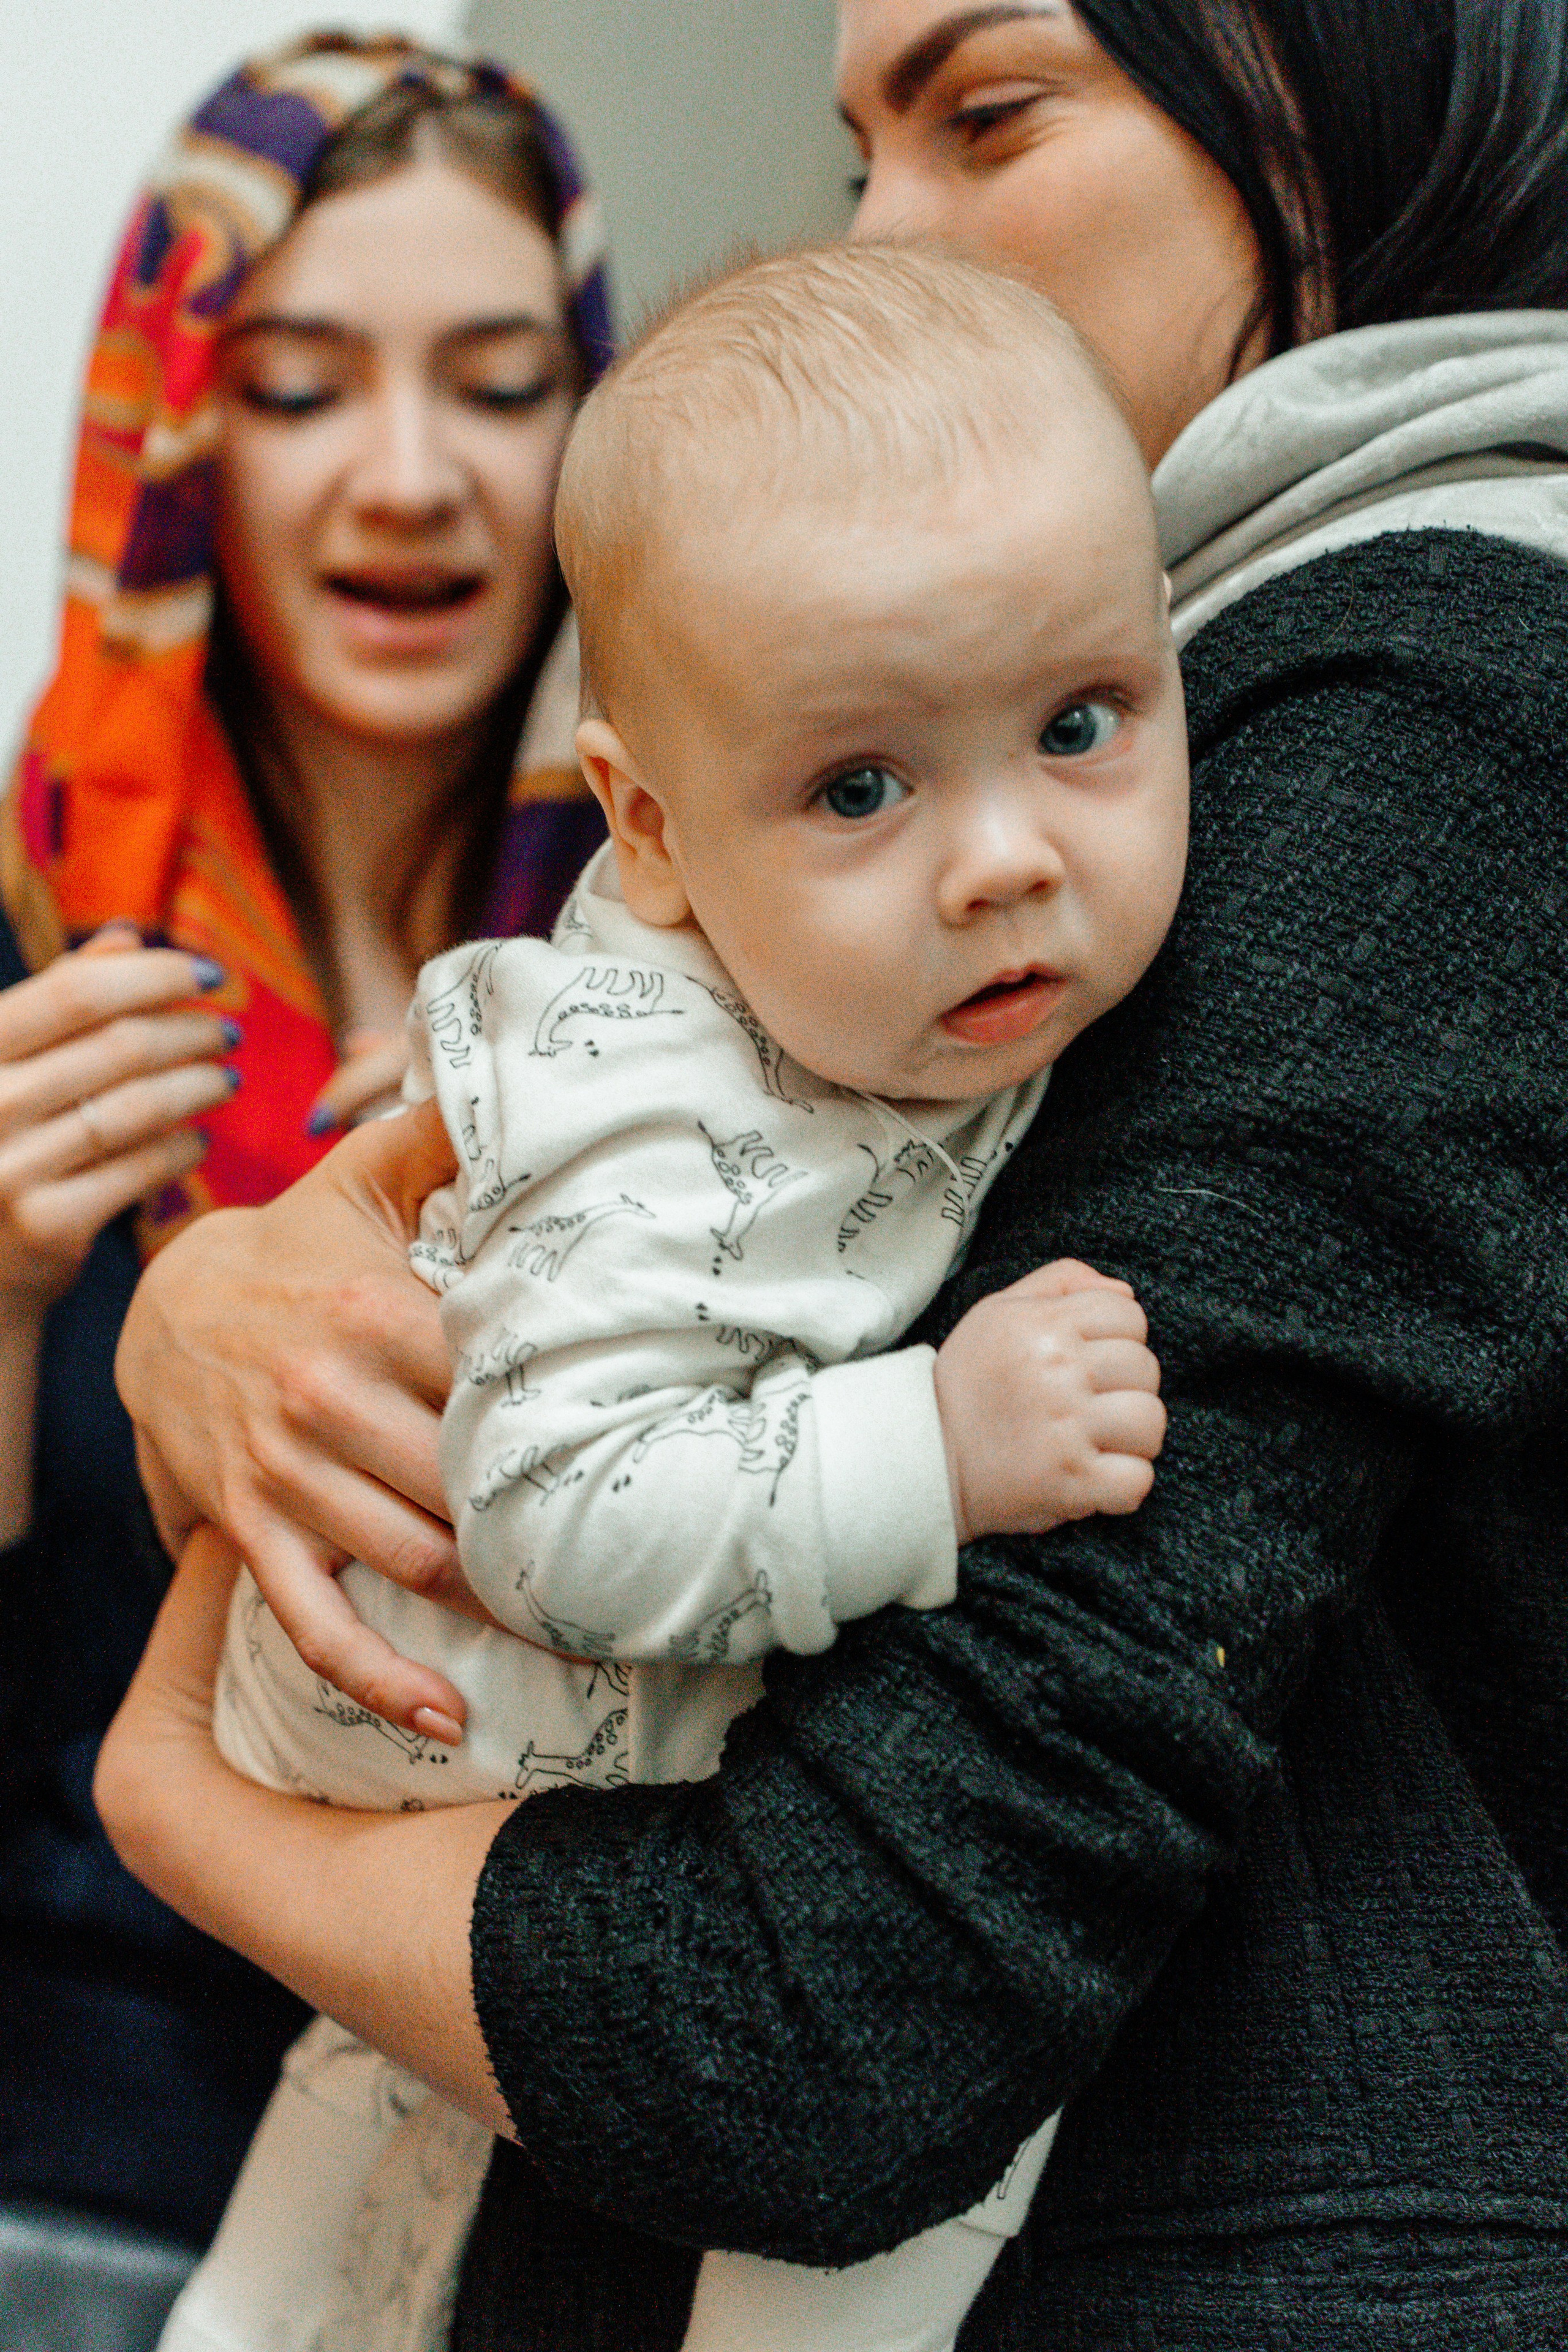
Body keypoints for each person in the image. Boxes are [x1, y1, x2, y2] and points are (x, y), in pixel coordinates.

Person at [100, 1, 1568, 2345]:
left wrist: (191, 1809)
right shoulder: (1084, 704)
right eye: (859, 142)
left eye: (990, 113)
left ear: (1343, 77)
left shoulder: (1411, 671)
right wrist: (207, 1301)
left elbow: (814, 2024)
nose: (890, 229)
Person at [165, 241, 1180, 2352]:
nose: (1007, 858)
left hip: (533, 1763)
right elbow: (556, 1517)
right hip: (445, 1721)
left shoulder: (916, 982)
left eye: (1082, 724)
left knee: (344, 2214)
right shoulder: (662, 1128)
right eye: (862, 788)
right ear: (648, 827)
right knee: (934, 2120)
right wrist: (935, 1446)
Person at [0, 31, 609, 2254]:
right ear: (175, 437)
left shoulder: (699, 973)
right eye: (297, 388)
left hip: (544, 2192)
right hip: (79, 2176)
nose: (410, 476)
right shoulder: (23, 951)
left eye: (500, 384)